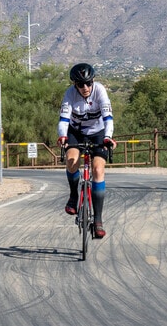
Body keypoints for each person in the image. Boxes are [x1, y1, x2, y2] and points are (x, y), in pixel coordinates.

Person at [57, 63, 116, 238]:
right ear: (74, 84)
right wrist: (62, 136)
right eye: (80, 84)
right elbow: (63, 120)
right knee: (72, 160)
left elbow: (108, 118)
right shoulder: (69, 94)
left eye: (88, 83)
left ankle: (98, 219)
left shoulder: (99, 91)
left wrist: (108, 137)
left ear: (93, 81)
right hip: (76, 132)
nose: (85, 88)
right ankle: (73, 196)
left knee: (98, 169)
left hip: (98, 133)